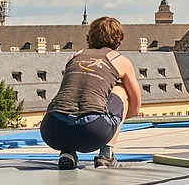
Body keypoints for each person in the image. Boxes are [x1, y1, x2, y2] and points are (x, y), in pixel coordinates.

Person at [40, 16, 142, 169]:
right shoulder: (120, 60)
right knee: (121, 89)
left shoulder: (75, 56)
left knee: (71, 95)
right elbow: (135, 108)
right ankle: (106, 154)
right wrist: (111, 120)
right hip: (93, 132)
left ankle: (67, 151)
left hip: (52, 130)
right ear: (119, 40)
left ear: (89, 37)